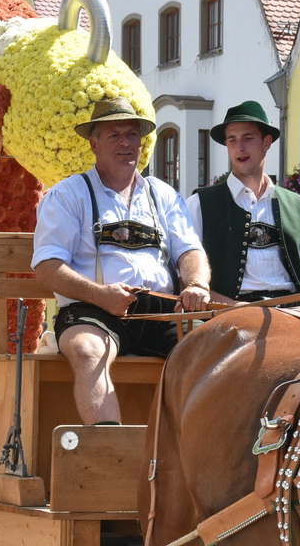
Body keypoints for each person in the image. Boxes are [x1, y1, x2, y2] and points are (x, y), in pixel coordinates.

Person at [32, 97, 211, 424]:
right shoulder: (69, 194)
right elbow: (47, 267)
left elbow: (190, 251)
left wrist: (197, 284)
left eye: (132, 134)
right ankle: (109, 448)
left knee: (215, 349)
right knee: (88, 351)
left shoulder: (163, 194)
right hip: (92, 311)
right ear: (94, 144)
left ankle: (197, 450)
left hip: (161, 312)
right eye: (114, 135)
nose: (126, 143)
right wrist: (100, 295)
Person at [186, 101, 300, 304]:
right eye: (232, 140)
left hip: (294, 312)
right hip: (230, 312)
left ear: (266, 143)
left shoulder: (298, 205)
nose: (240, 147)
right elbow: (187, 280)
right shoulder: (199, 204)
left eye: (248, 138)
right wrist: (237, 308)